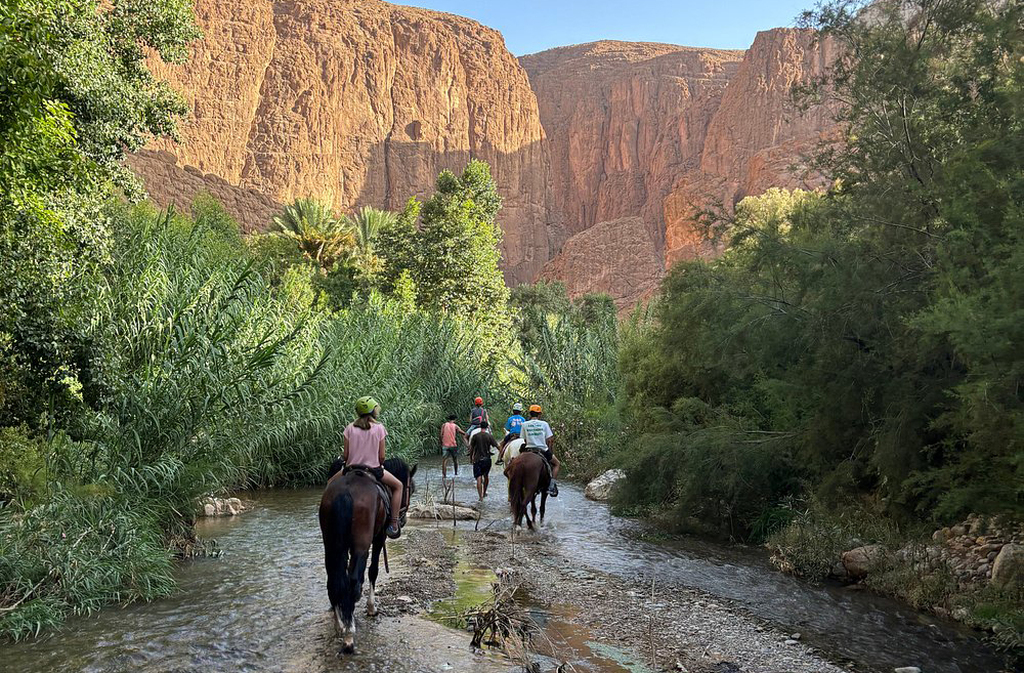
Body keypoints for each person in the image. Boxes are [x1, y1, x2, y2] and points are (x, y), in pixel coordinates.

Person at [343, 396, 403, 538]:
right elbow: (381, 457)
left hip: (351, 469)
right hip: (373, 470)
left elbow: (345, 456)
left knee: (330, 483)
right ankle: (394, 523)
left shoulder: (349, 428)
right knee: (398, 486)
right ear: (372, 411)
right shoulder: (379, 428)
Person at [520, 404, 560, 497]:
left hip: (529, 449)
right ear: (539, 414)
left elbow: (524, 440)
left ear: (530, 414)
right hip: (542, 449)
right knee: (557, 464)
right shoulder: (544, 424)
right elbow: (550, 439)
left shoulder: (524, 424)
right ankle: (551, 486)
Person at [469, 420, 499, 499]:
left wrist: (471, 458)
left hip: (477, 459)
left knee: (478, 477)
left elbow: (471, 449)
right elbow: (497, 446)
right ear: (487, 427)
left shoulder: (475, 436)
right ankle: (484, 492)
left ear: (480, 426)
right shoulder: (489, 436)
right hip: (487, 459)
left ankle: (480, 497)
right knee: (486, 476)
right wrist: (501, 456)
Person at [440, 413, 466, 478]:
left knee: (444, 461)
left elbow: (441, 435)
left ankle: (444, 476)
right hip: (453, 445)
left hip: (445, 445)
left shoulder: (444, 425)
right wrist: (466, 434)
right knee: (455, 460)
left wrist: (441, 442)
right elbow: (462, 432)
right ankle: (456, 473)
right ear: (455, 419)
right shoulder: (455, 426)